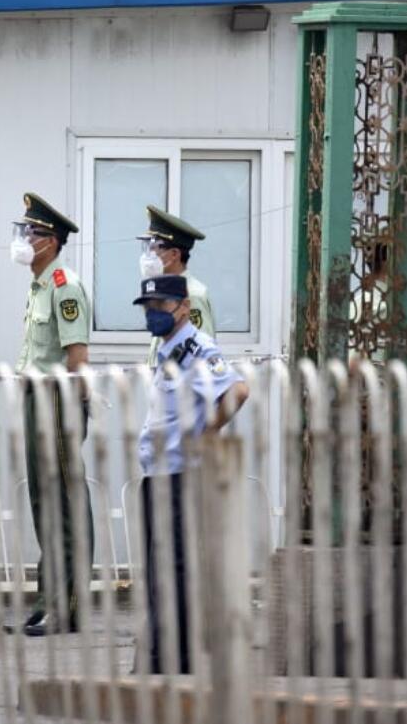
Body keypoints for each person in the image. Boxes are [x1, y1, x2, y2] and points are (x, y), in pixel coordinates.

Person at [133, 274, 248, 674]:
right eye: (149, 308)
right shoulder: (167, 348)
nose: (153, 314)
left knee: (174, 568)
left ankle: (174, 660)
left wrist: (209, 431)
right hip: (157, 472)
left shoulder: (198, 349)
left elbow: (238, 392)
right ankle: (158, 655)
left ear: (183, 307)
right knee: (156, 568)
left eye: (160, 307)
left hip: (180, 473)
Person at [4, 192, 94, 637]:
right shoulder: (39, 285)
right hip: (35, 399)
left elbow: (76, 356)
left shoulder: (63, 284)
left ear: (51, 241)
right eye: (24, 230)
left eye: (33, 232)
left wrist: (71, 411)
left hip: (58, 401)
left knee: (65, 503)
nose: (24, 238)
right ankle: (47, 598)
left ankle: (69, 604)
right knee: (43, 501)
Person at [138, 206, 215, 367]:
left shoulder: (191, 294)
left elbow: (201, 359)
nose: (148, 256)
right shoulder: (164, 293)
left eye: (154, 248)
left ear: (174, 254)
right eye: (147, 247)